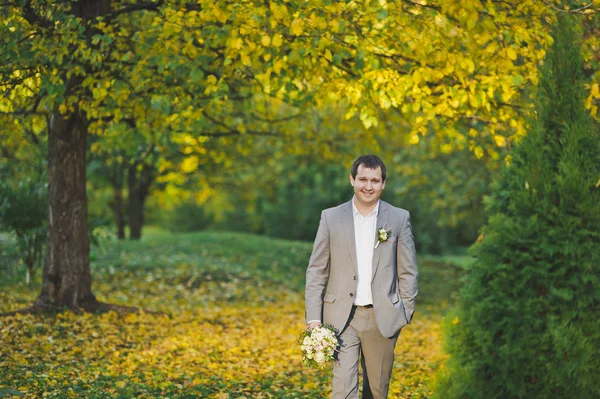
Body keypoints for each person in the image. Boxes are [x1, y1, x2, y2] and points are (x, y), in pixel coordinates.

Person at [305, 154, 418, 399]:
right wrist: (314, 320)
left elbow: (408, 271)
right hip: (340, 319)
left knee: (377, 391)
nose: (369, 186)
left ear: (383, 183)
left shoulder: (399, 219)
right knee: (343, 389)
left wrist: (404, 311)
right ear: (352, 180)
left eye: (375, 181)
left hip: (383, 318)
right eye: (363, 179)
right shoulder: (331, 217)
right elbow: (317, 270)